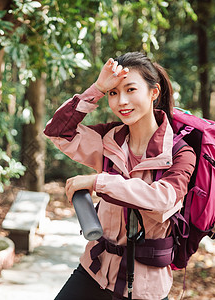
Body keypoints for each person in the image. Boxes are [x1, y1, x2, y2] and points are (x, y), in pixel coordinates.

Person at [44, 52, 196, 300]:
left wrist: (97, 182)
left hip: (145, 287)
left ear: (153, 93)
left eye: (130, 90)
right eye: (114, 93)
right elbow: (58, 132)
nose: (121, 101)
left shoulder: (180, 153)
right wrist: (98, 88)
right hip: (95, 270)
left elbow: (163, 201)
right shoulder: (109, 139)